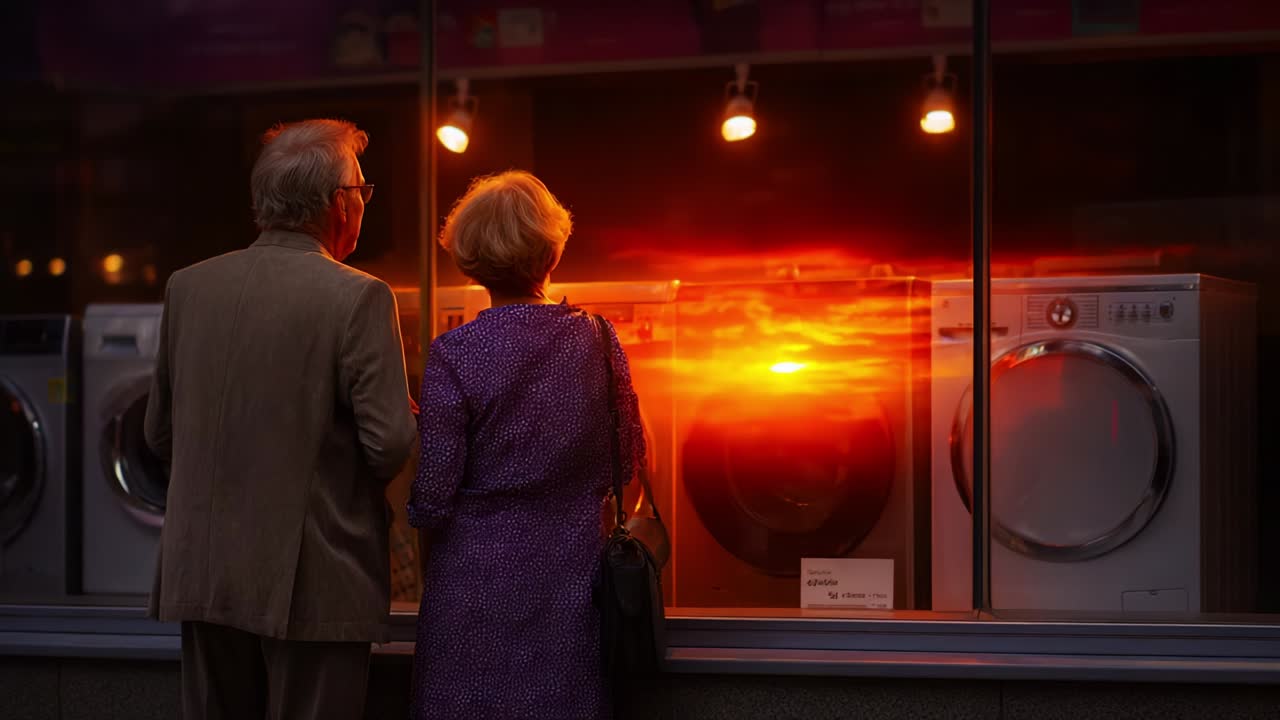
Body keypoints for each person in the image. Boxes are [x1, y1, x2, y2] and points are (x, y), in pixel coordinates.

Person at [144, 118, 417, 720]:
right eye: (363, 192)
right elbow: (390, 442)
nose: (366, 205)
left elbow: (157, 434)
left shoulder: (188, 288)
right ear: (335, 204)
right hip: (314, 577)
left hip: (204, 572)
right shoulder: (359, 296)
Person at [408, 171, 646, 720]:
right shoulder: (599, 338)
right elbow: (627, 461)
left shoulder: (454, 353)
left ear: (468, 256)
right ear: (551, 252)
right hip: (572, 577)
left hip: (472, 586)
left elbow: (434, 494)